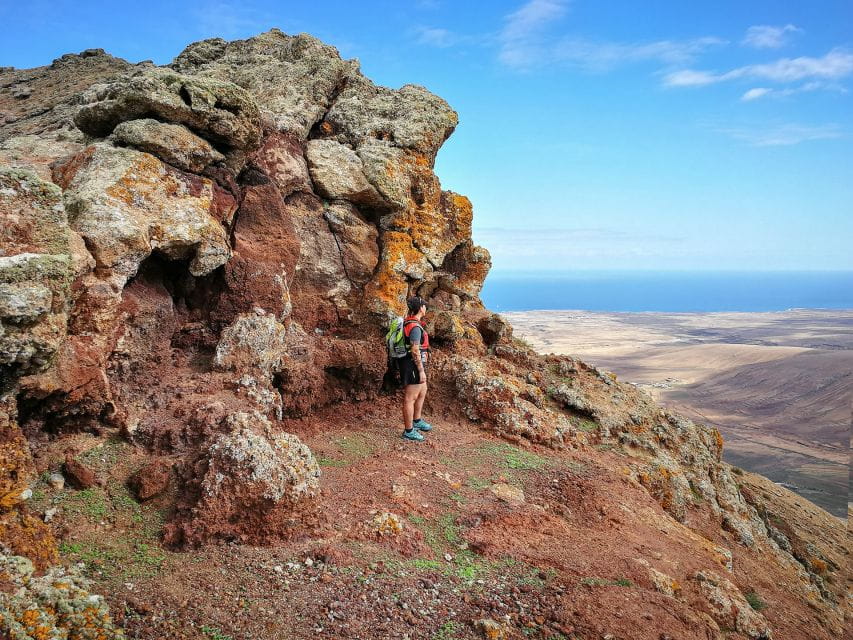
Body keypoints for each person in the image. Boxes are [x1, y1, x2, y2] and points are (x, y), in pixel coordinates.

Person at [398, 296, 432, 442]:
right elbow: (415, 350)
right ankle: (408, 431)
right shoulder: (415, 327)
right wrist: (420, 370)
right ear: (421, 308)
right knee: (410, 398)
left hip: (413, 364)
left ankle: (417, 420)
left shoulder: (411, 322)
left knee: (422, 390)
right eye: (425, 306)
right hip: (412, 365)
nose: (426, 308)